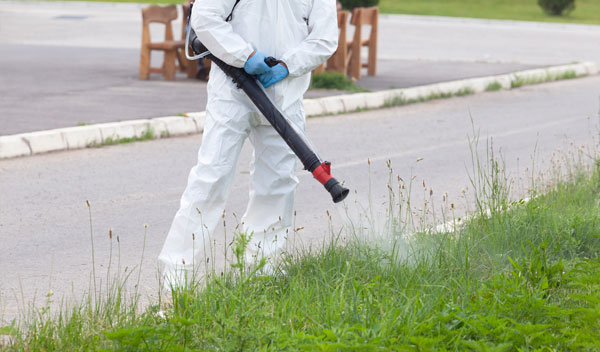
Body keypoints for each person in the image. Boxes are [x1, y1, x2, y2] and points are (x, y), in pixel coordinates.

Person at [158, 0, 339, 286]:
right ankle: (174, 283)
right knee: (210, 179)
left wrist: (288, 66)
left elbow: (325, 39)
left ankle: (258, 276)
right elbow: (205, 17)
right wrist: (246, 56)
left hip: (286, 97)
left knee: (277, 185)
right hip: (233, 94)